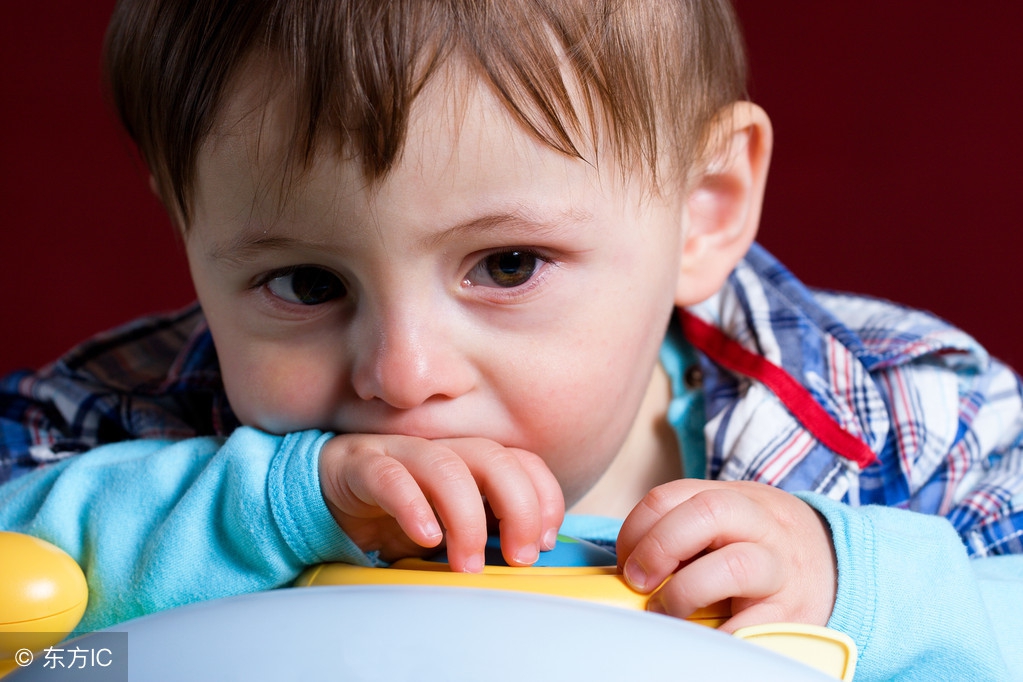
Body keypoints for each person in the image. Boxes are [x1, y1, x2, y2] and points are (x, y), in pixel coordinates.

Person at [1, 0, 1021, 678]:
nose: (403, 375)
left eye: (505, 265)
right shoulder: (111, 423)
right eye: (307, 283)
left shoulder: (906, 414)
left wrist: (867, 588)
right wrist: (265, 512)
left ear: (702, 210)